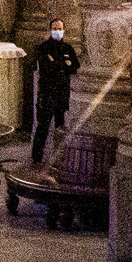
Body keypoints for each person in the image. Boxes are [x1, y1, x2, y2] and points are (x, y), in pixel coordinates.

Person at [30, 18, 80, 163]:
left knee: (61, 126)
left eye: (60, 28)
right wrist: (64, 64)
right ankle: (37, 158)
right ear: (50, 29)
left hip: (62, 93)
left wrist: (58, 63)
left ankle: (60, 158)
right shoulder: (43, 47)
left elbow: (74, 66)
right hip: (47, 92)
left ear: (64, 30)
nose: (57, 31)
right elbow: (47, 67)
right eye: (54, 28)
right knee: (43, 126)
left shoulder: (68, 48)